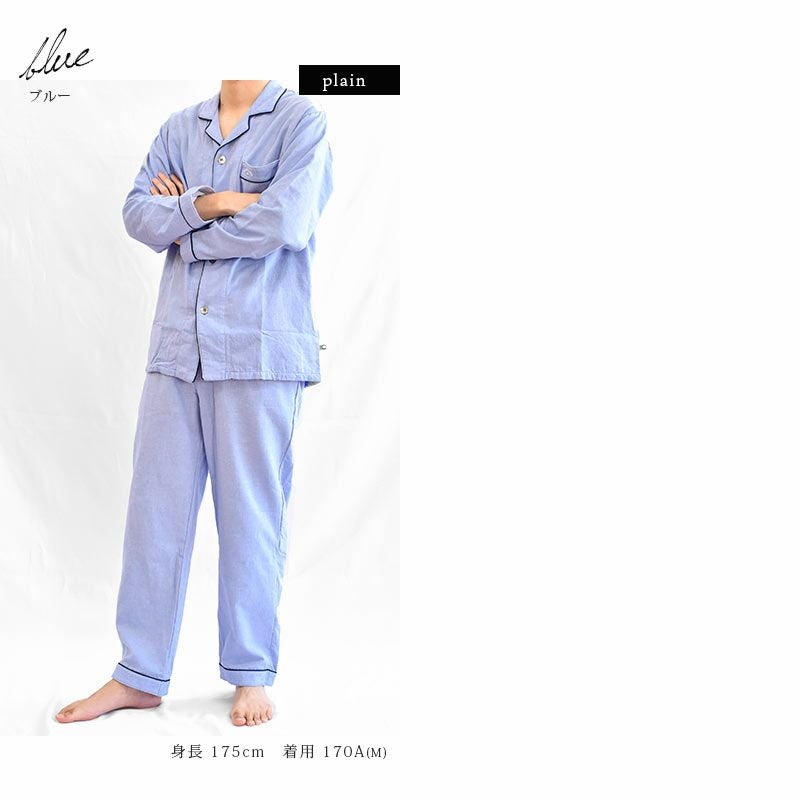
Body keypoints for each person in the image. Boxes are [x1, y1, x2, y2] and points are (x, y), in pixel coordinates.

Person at [55, 79, 334, 726]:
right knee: (154, 515)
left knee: (250, 517)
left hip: (259, 349)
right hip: (178, 348)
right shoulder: (180, 128)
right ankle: (139, 674)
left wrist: (186, 224)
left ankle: (251, 674)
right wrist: (217, 203)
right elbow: (137, 214)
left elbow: (287, 221)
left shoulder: (301, 121)